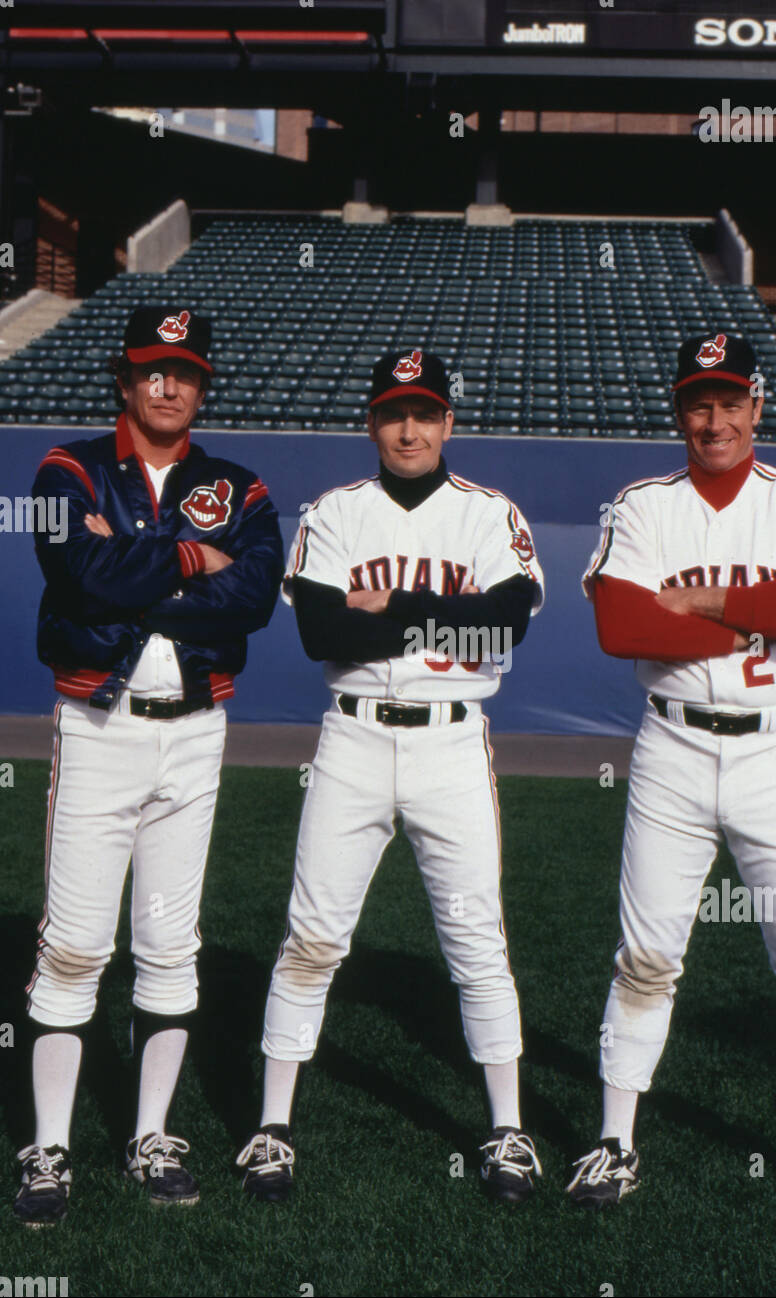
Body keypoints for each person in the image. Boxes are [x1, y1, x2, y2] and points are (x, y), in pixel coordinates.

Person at [567, 331, 776, 1226]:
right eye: (697, 402)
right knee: (647, 956)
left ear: (756, 405)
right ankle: (613, 1142)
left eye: (729, 401)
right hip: (672, 752)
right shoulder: (644, 504)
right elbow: (619, 626)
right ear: (681, 410)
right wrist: (756, 622)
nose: (713, 419)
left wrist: (703, 602)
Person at [234, 349, 546, 1204]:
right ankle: (272, 1128)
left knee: (478, 941)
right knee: (312, 937)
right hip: (355, 742)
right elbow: (320, 635)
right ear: (371, 421)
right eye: (392, 412)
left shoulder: (488, 515)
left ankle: (508, 1132)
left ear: (448, 422)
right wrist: (442, 616)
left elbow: (503, 628)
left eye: (425, 412)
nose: (409, 429)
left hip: (452, 742)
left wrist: (389, 608)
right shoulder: (334, 514)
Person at [12, 306, 284, 1227]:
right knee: (77, 943)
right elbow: (76, 570)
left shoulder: (237, 486)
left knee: (171, 946)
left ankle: (150, 1134)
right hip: (100, 724)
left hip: (197, 729)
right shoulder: (67, 466)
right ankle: (49, 1148)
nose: (168, 386)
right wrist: (190, 563)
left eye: (185, 372)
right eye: (150, 370)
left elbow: (252, 599)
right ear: (123, 381)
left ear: (202, 384)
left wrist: (142, 560)